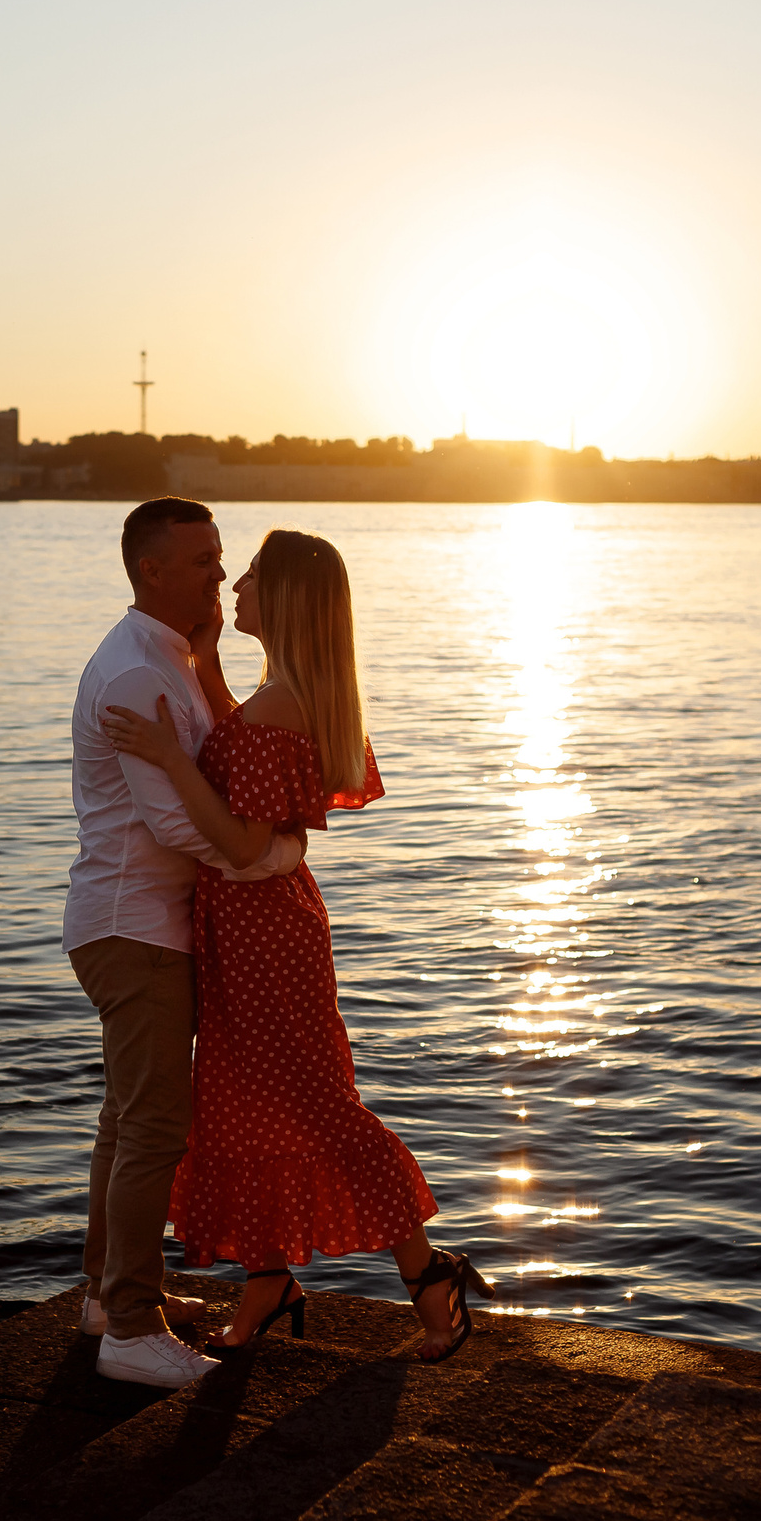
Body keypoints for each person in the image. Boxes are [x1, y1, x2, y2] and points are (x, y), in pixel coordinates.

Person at [103, 527, 496, 1362]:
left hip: (264, 931)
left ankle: (431, 1277)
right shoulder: (278, 693)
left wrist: (171, 755)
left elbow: (245, 844)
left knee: (318, 1106)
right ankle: (268, 1282)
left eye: (249, 575)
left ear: (282, 597)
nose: (233, 584)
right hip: (250, 926)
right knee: (245, 1108)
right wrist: (207, 669)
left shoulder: (281, 706)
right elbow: (253, 796)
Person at [65, 497, 308, 1389]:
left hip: (147, 925)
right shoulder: (136, 674)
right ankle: (129, 1327)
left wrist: (210, 662)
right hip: (137, 927)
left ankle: (107, 1296)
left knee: (127, 1122)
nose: (219, 571)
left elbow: (226, 761)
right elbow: (181, 827)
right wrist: (275, 850)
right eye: (202, 560)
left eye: (220, 556)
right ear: (150, 573)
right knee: (155, 1128)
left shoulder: (175, 661)